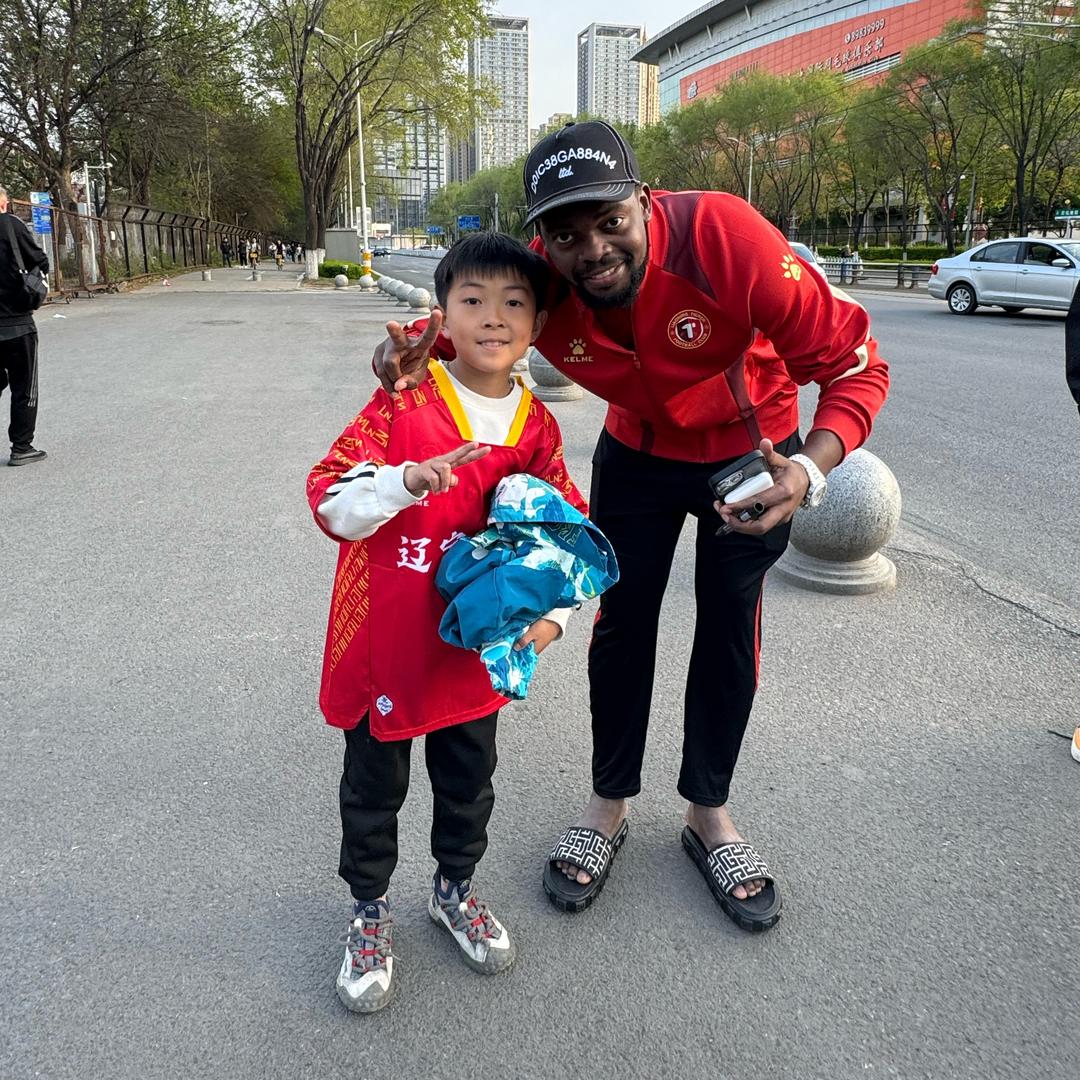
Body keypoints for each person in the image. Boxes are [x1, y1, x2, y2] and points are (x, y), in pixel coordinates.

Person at [373, 121, 890, 932]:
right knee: (621, 624)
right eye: (568, 234)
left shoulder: (730, 242)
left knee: (728, 626)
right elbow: (478, 323)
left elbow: (856, 363)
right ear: (543, 240)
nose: (595, 248)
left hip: (751, 453)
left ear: (646, 202)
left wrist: (811, 468)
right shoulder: (542, 280)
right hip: (637, 454)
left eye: (611, 220)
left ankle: (709, 815)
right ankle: (607, 803)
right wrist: (414, 353)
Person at [307, 231, 593, 1013]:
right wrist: (404, 480)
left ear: (537, 324)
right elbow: (330, 498)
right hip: (388, 644)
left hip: (474, 652)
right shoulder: (404, 399)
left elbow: (562, 537)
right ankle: (369, 910)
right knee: (374, 787)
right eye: (473, 301)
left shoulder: (537, 429)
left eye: (514, 304)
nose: (493, 319)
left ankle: (453, 889)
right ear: (443, 315)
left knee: (469, 781)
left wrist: (554, 621)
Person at [0, 183, 50, 466]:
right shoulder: (12, 227)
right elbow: (41, 261)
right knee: (24, 386)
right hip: (18, 323)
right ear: (4, 204)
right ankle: (21, 447)